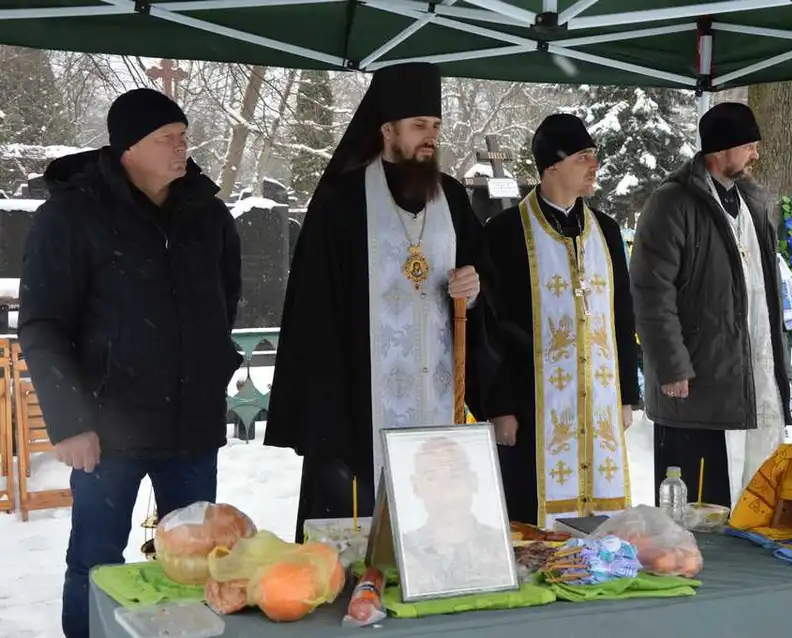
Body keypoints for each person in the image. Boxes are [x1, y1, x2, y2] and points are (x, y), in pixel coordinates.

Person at [18, 88, 242, 638]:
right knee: (96, 563)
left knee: (199, 561)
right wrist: (70, 422)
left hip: (190, 427)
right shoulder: (71, 216)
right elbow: (43, 325)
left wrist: (216, 367)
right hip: (105, 430)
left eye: (183, 137)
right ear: (127, 149)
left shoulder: (207, 216)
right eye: (166, 139)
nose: (181, 148)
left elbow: (223, 303)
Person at [264, 62, 500, 542]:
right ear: (387, 129)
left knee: (434, 536)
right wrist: (325, 415)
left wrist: (473, 293)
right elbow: (314, 311)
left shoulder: (452, 198)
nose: (429, 137)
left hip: (436, 400)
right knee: (351, 543)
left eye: (434, 127)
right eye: (418, 127)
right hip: (357, 404)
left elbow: (483, 287)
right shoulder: (341, 200)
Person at [630, 102, 791, 508]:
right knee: (700, 506)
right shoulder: (671, 204)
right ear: (722, 148)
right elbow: (652, 291)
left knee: (752, 492)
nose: (756, 155)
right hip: (696, 381)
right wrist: (671, 365)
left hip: (750, 370)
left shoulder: (752, 203)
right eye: (749, 145)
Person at [484, 114, 639, 528]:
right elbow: (490, 327)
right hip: (531, 403)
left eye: (594, 156)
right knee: (530, 523)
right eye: (582, 157)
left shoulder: (605, 230)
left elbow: (622, 313)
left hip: (598, 401)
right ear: (552, 166)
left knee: (603, 521)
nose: (594, 166)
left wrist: (626, 392)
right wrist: (499, 407)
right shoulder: (503, 233)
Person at [400, 436, 514, 595]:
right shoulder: (405, 551)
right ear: (416, 486)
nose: (446, 487)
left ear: (473, 480)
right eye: (432, 477)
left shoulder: (501, 545)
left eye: (456, 475)